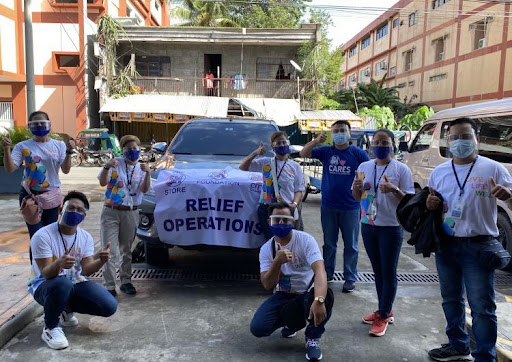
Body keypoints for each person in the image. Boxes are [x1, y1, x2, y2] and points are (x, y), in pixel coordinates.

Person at [426, 117, 512, 361]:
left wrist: (508, 196)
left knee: (482, 307)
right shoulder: (440, 172)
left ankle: (485, 355)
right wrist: (430, 204)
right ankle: (458, 344)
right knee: (450, 299)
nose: (460, 142)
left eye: (466, 136)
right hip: (447, 245)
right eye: (454, 138)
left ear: (476, 139)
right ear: (448, 141)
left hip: (479, 245)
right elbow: (434, 207)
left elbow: (511, 201)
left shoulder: (493, 168)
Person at [27, 191, 117, 350]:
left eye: (80, 210)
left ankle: (64, 309)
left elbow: (87, 270)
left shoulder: (85, 237)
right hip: (44, 285)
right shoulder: (42, 236)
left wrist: (101, 261)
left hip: (73, 282)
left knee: (109, 305)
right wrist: (59, 264)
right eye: (71, 208)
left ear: (84, 215)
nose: (75, 212)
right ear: (61, 209)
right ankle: (50, 327)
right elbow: (46, 274)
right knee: (62, 284)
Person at [352, 129, 414, 337]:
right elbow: (356, 196)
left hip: (391, 227)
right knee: (378, 271)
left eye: (384, 142)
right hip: (368, 224)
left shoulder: (401, 169)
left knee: (388, 271)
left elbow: (409, 202)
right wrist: (357, 187)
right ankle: (384, 308)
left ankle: (384, 314)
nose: (380, 145)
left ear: (393, 144)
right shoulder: (364, 166)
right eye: (376, 142)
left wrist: (394, 190)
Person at [250, 203, 330, 361]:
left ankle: (313, 338)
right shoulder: (266, 249)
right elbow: (267, 284)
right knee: (258, 328)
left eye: (285, 220)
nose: (281, 224)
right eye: (276, 219)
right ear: (269, 222)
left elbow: (320, 271)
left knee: (326, 297)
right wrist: (277, 262)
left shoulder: (305, 240)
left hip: (307, 293)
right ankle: (291, 323)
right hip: (284, 295)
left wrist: (319, 300)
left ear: (292, 222)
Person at [300, 121, 369, 292]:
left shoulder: (358, 154)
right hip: (328, 205)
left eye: (342, 130)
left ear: (349, 133)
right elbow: (304, 152)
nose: (339, 134)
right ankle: (328, 274)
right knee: (329, 244)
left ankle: (350, 277)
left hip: (351, 206)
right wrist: (316, 141)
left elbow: (369, 172)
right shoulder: (326, 151)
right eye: (335, 131)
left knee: (351, 245)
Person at [1, 111, 76, 238]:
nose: (39, 125)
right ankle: (36, 258)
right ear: (29, 127)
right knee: (36, 235)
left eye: (43, 123)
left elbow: (66, 170)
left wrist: (69, 152)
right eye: (35, 124)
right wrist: (7, 149)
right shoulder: (22, 146)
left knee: (50, 234)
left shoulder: (59, 145)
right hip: (29, 196)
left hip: (51, 196)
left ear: (50, 125)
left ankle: (48, 258)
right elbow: (10, 168)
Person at [98, 135, 151, 296]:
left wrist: (148, 173)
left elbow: (145, 189)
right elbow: (102, 182)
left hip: (131, 212)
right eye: (128, 149)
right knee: (110, 250)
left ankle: (126, 281)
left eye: (135, 149)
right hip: (111, 211)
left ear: (140, 149)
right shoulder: (115, 163)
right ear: (123, 151)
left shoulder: (142, 168)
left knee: (126, 250)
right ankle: (109, 285)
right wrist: (106, 167)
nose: (132, 152)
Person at [239, 131, 305, 240]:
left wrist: (294, 204)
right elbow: (243, 167)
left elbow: (298, 189)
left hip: (286, 209)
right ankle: (273, 257)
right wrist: (255, 153)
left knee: (289, 240)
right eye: (278, 143)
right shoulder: (266, 163)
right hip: (267, 209)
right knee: (272, 240)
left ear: (288, 143)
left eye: (284, 142)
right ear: (272, 147)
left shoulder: (295, 166)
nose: (282, 145)